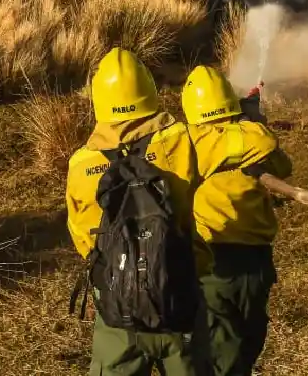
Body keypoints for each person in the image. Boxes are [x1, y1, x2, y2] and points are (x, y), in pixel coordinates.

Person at [66, 48, 210, 376]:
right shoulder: (181, 140)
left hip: (118, 310)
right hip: (179, 297)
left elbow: (83, 237)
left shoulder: (81, 164)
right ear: (148, 88)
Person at [181, 66, 293, 376]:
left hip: (220, 260)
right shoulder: (250, 137)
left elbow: (282, 166)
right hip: (233, 261)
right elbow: (279, 159)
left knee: (237, 342)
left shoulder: (184, 141)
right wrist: (249, 123)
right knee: (231, 348)